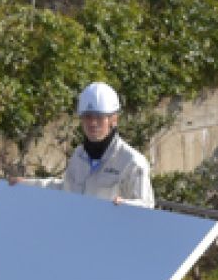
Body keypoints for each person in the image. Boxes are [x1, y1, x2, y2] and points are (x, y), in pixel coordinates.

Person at [12, 82, 154, 207]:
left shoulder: (132, 162)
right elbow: (65, 188)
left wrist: (124, 206)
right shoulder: (79, 156)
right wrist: (26, 185)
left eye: (99, 117)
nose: (92, 123)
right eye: (87, 116)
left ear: (114, 119)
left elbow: (146, 207)